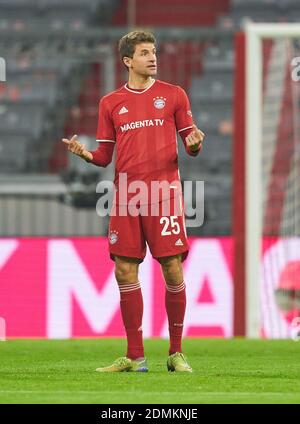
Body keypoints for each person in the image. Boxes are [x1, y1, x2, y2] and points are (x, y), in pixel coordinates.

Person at [62, 31, 204, 373]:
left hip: (164, 194)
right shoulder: (110, 103)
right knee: (124, 269)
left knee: (172, 266)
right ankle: (135, 356)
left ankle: (176, 353)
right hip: (126, 196)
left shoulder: (173, 95)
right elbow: (104, 155)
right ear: (128, 61)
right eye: (144, 53)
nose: (152, 57)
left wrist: (197, 142)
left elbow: (191, 144)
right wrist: (86, 155)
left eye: (153, 52)